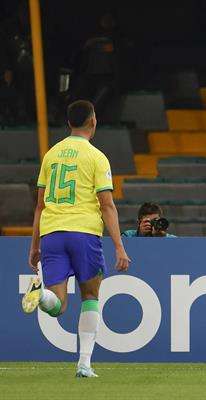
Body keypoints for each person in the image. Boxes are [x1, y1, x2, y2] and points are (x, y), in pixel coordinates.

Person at [21, 100, 130, 378]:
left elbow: (39, 205)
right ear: (93, 122)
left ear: (69, 123)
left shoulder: (51, 155)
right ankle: (84, 363)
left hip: (52, 233)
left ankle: (41, 294)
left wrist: (34, 245)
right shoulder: (96, 157)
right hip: (83, 232)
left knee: (57, 305)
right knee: (90, 295)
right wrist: (119, 245)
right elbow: (106, 204)